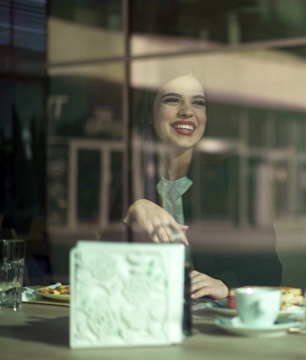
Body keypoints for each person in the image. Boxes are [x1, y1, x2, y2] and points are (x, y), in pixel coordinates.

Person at [103, 65, 282, 300]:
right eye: (173, 100)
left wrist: (226, 286)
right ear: (150, 113)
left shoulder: (234, 177)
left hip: (213, 322)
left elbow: (270, 273)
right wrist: (131, 212)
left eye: (198, 103)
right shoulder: (130, 181)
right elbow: (102, 275)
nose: (187, 111)